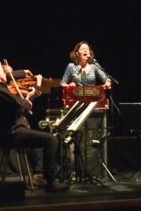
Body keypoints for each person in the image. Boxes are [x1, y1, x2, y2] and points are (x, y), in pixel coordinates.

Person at [0, 60, 69, 192]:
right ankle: (51, 182)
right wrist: (34, 91)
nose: (6, 73)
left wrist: (24, 76)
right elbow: (23, 105)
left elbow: (18, 102)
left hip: (14, 131)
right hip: (12, 133)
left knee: (49, 137)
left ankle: (43, 176)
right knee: (51, 139)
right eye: (2, 70)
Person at [60, 41, 111, 179]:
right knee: (77, 137)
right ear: (77, 53)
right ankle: (74, 170)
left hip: (92, 106)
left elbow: (106, 79)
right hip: (76, 105)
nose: (86, 51)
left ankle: (93, 170)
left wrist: (107, 83)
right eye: (83, 49)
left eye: (87, 49)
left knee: (91, 137)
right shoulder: (71, 66)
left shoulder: (94, 66)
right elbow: (62, 83)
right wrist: (69, 85)